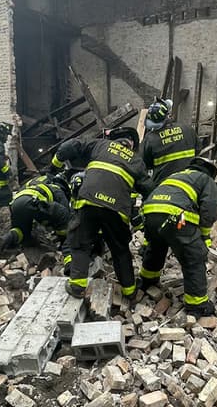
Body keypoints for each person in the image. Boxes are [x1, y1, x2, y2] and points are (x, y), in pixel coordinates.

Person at [62, 128, 154, 301]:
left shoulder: (99, 145)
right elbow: (148, 189)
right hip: (116, 210)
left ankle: (77, 286)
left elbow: (73, 145)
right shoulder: (136, 161)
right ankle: (130, 292)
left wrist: (56, 161)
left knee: (81, 244)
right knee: (120, 251)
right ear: (131, 145)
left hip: (88, 202)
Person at [138, 156, 217, 316]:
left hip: (150, 213)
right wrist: (203, 237)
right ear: (211, 172)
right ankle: (197, 304)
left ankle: (148, 281)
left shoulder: (175, 176)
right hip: (177, 217)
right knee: (193, 257)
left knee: (156, 247)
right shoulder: (205, 179)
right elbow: (209, 211)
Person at [0, 172, 70, 254]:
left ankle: (5, 241)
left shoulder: (36, 181)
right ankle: (66, 245)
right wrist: (61, 235)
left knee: (21, 232)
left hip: (16, 204)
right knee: (63, 214)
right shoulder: (58, 190)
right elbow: (64, 215)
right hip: (32, 201)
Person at [140, 98, 199, 175]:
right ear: (168, 115)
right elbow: (198, 149)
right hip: (189, 179)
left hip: (164, 183)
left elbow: (144, 163)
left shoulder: (150, 139)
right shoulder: (188, 129)